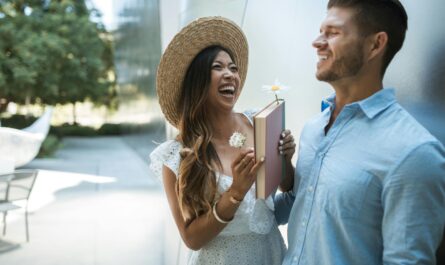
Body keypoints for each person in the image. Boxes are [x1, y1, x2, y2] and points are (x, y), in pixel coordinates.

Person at [274, 1, 445, 264]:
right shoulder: (312, 129)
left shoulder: (413, 152)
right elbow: (299, 205)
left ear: (376, 45)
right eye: (321, 30)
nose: (317, 42)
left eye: (333, 33)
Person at [149, 16, 295, 265]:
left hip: (271, 255)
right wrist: (235, 192)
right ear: (198, 81)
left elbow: (282, 196)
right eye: (218, 67)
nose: (230, 75)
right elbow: (191, 238)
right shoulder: (176, 155)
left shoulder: (257, 123)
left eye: (233, 68)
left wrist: (285, 161)